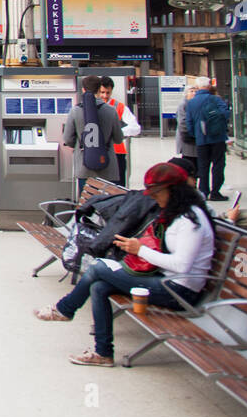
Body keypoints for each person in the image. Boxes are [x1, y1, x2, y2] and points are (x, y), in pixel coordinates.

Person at [33, 162, 216, 367]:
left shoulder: (190, 220)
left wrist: (140, 250)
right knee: (99, 286)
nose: (154, 198)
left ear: (173, 191)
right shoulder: (177, 214)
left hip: (180, 291)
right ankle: (103, 353)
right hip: (165, 281)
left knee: (97, 268)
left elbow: (181, 265)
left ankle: (65, 309)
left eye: (157, 194)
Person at [62, 75, 124, 191]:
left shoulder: (75, 111)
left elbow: (67, 139)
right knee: (108, 205)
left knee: (86, 206)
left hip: (84, 168)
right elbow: (118, 139)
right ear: (99, 89)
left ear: (83, 89)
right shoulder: (111, 110)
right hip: (108, 169)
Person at [182, 77, 231, 200]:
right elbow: (226, 114)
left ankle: (203, 192)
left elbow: (189, 121)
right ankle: (215, 192)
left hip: (201, 139)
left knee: (203, 165)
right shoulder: (215, 99)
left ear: (197, 87)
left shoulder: (192, 102)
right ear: (209, 86)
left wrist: (195, 135)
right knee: (218, 165)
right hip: (217, 138)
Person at [98, 77, 141, 187]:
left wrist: (116, 132)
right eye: (102, 92)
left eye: (108, 92)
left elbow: (136, 128)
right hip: (97, 153)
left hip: (117, 153)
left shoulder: (120, 107)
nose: (105, 96)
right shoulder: (91, 106)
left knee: (118, 186)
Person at [174, 85, 199, 163]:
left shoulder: (194, 103)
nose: (194, 93)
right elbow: (182, 122)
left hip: (193, 137)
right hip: (187, 137)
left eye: (195, 91)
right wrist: (190, 135)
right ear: (186, 93)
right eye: (191, 91)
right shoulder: (183, 104)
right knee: (189, 160)